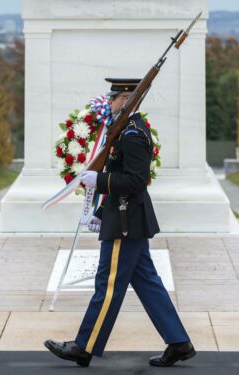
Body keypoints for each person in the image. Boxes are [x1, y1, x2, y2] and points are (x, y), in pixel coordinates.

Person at [44, 78, 195, 367]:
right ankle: (179, 342)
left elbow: (137, 181)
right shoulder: (125, 131)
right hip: (126, 216)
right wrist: (101, 213)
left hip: (126, 222)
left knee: (108, 285)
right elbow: (120, 172)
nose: (109, 103)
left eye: (113, 98)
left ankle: (84, 346)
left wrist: (98, 180)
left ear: (125, 100)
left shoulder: (133, 135)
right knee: (147, 282)